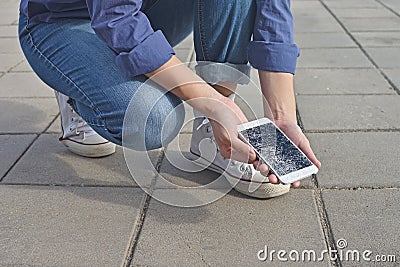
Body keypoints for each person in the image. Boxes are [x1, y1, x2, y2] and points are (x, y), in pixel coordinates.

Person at [18, 0, 321, 199]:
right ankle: (77, 85)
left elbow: (272, 10)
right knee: (151, 119)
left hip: (148, 10)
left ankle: (215, 137)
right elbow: (115, 17)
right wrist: (209, 100)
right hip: (62, 22)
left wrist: (282, 118)